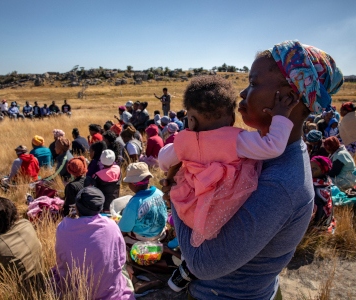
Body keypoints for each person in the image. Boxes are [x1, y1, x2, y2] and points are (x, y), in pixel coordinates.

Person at [161, 40, 343, 298]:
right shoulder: (264, 151)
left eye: (254, 83)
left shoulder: (282, 183)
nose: (243, 94)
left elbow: (203, 264)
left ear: (290, 96)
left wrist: (180, 188)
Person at [54, 187, 135, 299]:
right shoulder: (111, 226)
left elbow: (61, 260)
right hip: (107, 290)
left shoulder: (63, 228)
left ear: (77, 207)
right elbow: (120, 260)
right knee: (125, 274)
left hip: (76, 290)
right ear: (100, 208)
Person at [118, 162, 167, 244]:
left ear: (133, 185)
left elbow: (123, 229)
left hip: (144, 239)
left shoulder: (134, 203)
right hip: (161, 234)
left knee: (119, 235)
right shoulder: (159, 193)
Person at [309, 156, 336, 233]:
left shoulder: (315, 187)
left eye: (315, 168)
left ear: (323, 171)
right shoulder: (325, 181)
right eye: (310, 166)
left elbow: (318, 208)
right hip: (327, 219)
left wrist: (317, 224)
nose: (311, 170)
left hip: (319, 223)